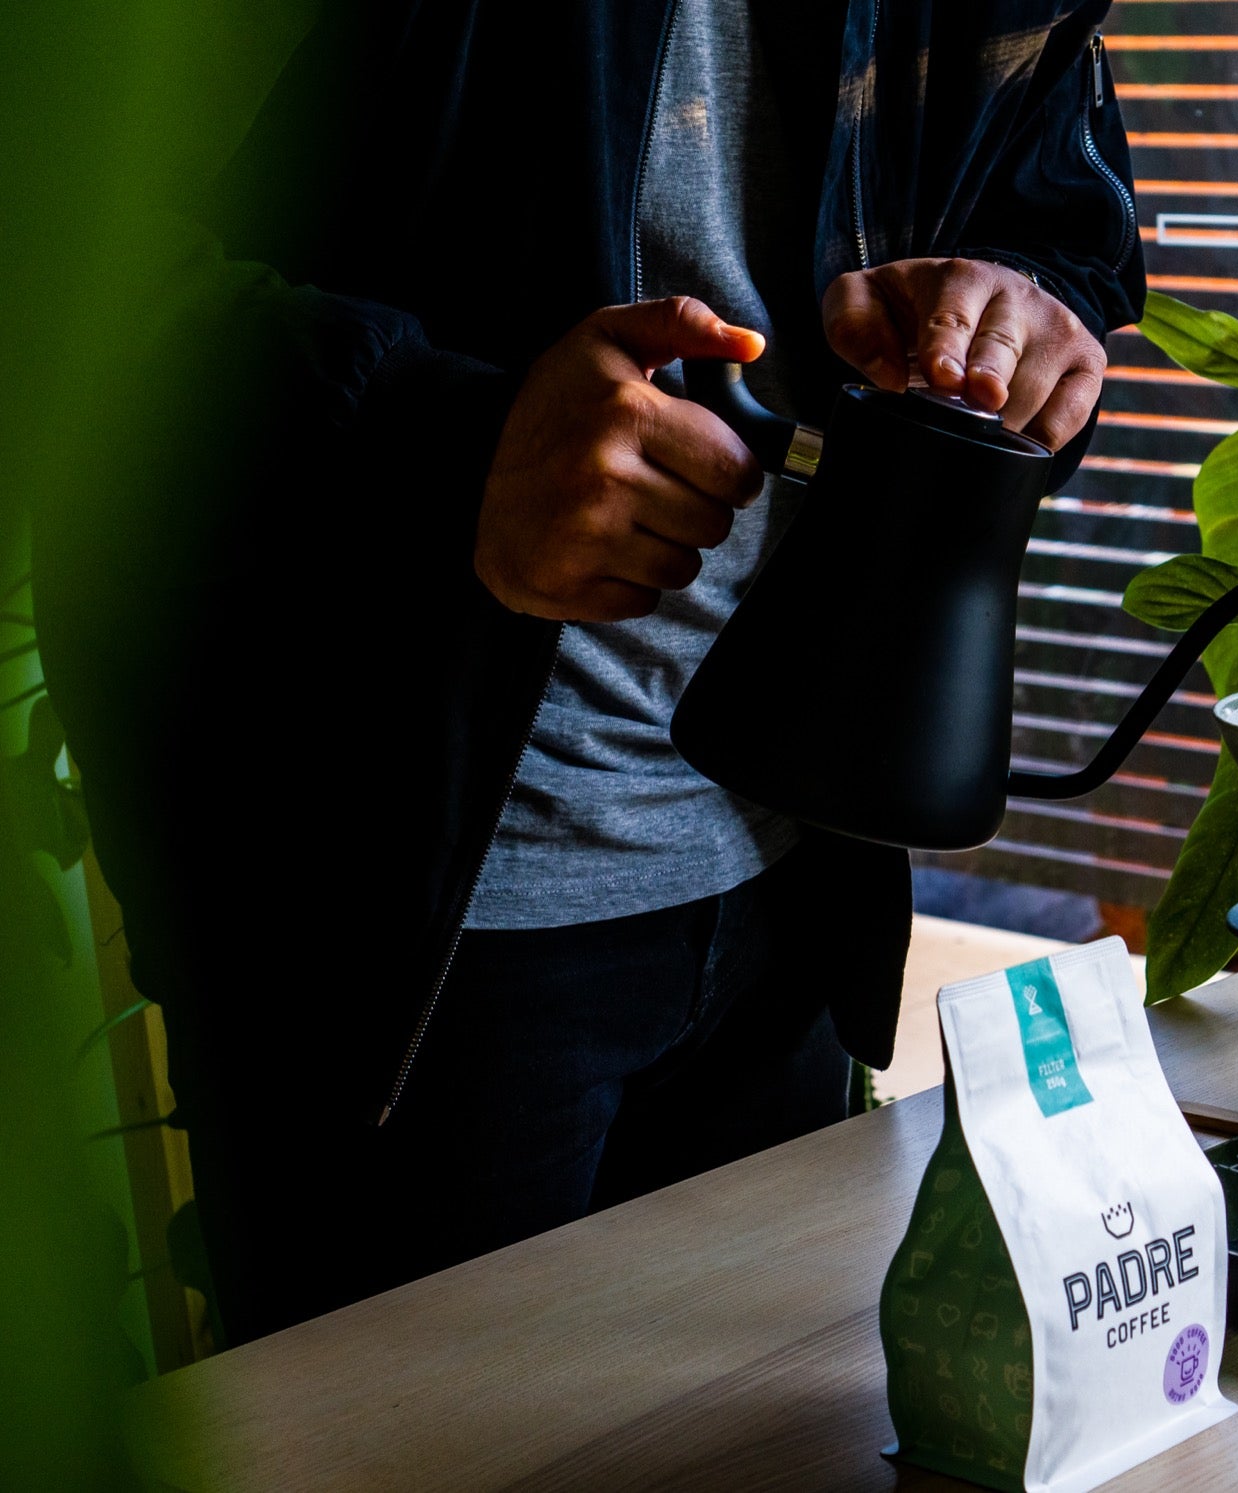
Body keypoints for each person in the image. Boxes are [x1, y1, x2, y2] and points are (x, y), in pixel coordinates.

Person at [35, 2, 1143, 1344]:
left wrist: (1025, 316)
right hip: (397, 926)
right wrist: (437, 444)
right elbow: (58, 269)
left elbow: (1050, 197)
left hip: (783, 870)